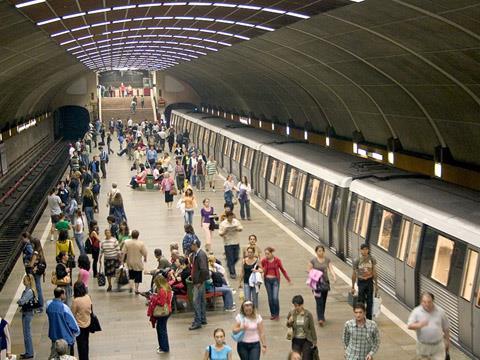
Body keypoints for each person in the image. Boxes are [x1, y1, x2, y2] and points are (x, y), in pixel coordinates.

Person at [407, 292, 450, 360]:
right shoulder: (416, 311)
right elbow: (409, 325)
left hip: (438, 346)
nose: (427, 304)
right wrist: (419, 325)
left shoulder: (440, 312)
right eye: (424, 302)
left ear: (433, 301)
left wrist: (447, 341)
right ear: (421, 302)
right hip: (423, 346)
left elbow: (446, 327)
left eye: (429, 302)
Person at [47, 287, 80, 358]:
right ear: (61, 295)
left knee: (53, 354)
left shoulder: (49, 305)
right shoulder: (64, 308)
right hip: (65, 338)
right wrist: (76, 332)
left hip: (54, 336)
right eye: (64, 293)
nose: (65, 295)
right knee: (65, 356)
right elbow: (72, 324)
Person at [307, 245, 337, 326]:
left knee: (323, 301)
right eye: (319, 251)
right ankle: (320, 318)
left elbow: (331, 268)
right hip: (316, 284)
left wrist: (334, 276)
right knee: (319, 300)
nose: (320, 252)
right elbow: (308, 270)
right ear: (316, 252)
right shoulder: (313, 261)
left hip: (325, 283)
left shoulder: (327, 260)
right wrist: (315, 274)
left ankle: (322, 315)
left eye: (322, 251)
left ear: (324, 251)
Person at [261, 247, 291, 320]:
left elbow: (282, 270)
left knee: (275, 298)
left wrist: (288, 279)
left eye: (268, 254)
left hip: (275, 280)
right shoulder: (264, 260)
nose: (266, 255)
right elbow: (261, 268)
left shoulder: (277, 260)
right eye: (265, 254)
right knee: (270, 298)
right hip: (267, 280)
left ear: (271, 253)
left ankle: (277, 314)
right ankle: (272, 314)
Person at [147, 275, 173, 354]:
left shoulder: (162, 290)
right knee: (162, 329)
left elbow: (161, 303)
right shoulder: (167, 287)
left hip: (162, 312)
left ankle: (164, 348)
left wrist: (153, 298)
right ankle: (163, 346)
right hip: (167, 310)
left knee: (161, 330)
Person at [351, 244, 378, 320]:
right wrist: (352, 287)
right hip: (361, 282)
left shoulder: (372, 259)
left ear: (368, 250)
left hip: (369, 281)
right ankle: (361, 316)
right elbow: (354, 273)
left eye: (366, 249)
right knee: (361, 301)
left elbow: (374, 271)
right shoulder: (357, 260)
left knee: (370, 301)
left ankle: (369, 318)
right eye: (363, 249)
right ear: (360, 250)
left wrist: (376, 285)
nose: (365, 251)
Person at [286, 295, 317, 360]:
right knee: (295, 357)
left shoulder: (308, 314)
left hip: (306, 339)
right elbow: (288, 326)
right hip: (296, 339)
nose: (296, 307)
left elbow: (312, 328)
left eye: (297, 306)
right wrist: (289, 322)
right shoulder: (292, 313)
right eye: (294, 306)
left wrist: (314, 340)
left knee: (306, 357)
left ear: (302, 305)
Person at [189, 239, 210, 330]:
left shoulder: (200, 255)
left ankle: (197, 322)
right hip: (199, 282)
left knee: (196, 301)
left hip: (198, 283)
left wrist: (200, 282)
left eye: (192, 245)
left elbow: (204, 270)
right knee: (201, 301)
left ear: (195, 245)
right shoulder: (197, 254)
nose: (191, 246)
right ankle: (203, 318)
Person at [17, 274, 37, 359]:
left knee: (27, 334)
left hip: (28, 314)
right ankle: (28, 351)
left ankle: (29, 352)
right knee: (26, 334)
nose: (23, 281)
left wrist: (19, 301)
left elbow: (21, 301)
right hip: (26, 312)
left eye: (24, 280)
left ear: (29, 281)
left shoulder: (29, 292)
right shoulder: (27, 290)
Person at [218, 211, 243, 279]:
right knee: (230, 258)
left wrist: (238, 229)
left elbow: (241, 228)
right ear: (227, 217)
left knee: (236, 257)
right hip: (228, 243)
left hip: (236, 241)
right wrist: (225, 231)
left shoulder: (236, 221)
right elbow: (220, 233)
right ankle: (232, 273)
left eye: (232, 217)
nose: (231, 219)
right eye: (229, 217)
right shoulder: (223, 224)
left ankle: (229, 265)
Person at [122, 229, 148, 294]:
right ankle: (136, 289)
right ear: (138, 236)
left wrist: (122, 261)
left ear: (131, 235)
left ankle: (131, 287)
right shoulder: (141, 243)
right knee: (138, 276)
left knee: (131, 275)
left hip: (129, 261)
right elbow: (145, 252)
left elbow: (123, 252)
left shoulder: (127, 242)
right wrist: (145, 258)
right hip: (138, 262)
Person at [71, 282, 92, 360]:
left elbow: (72, 313)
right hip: (88, 322)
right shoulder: (88, 297)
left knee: (80, 345)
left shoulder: (76, 300)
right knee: (86, 342)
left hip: (79, 325)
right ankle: (86, 357)